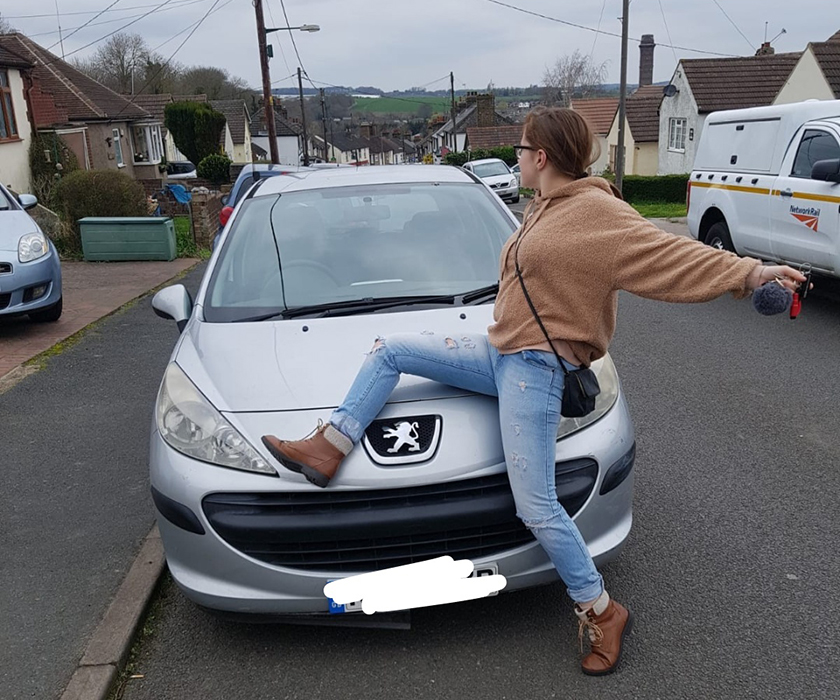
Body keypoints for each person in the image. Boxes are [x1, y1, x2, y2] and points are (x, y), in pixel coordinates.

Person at [261, 107, 807, 676]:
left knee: (536, 505)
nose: (517, 158)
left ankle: (601, 609)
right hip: (499, 352)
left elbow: (669, 256)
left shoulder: (598, 212)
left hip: (537, 369)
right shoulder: (540, 208)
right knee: (390, 350)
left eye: (522, 150)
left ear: (541, 157)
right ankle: (330, 445)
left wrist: (748, 273)